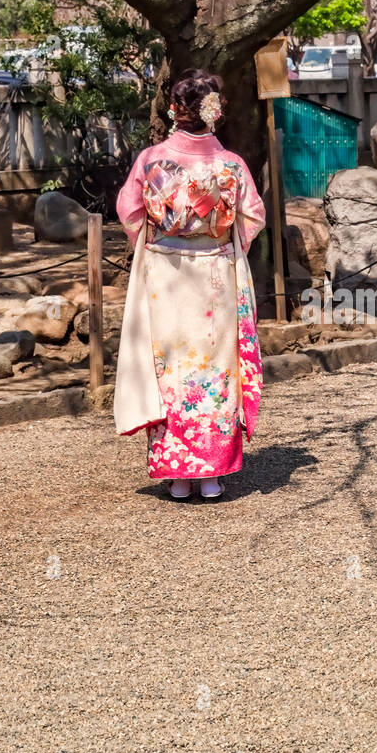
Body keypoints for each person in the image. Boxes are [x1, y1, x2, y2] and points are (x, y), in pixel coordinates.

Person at [114, 69, 265, 500]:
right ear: (214, 112)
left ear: (174, 110)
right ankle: (212, 473)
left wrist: (163, 238)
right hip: (215, 272)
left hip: (165, 272)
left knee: (171, 367)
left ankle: (177, 474)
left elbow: (129, 212)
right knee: (215, 368)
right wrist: (220, 238)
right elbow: (252, 216)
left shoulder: (151, 160)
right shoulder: (231, 164)